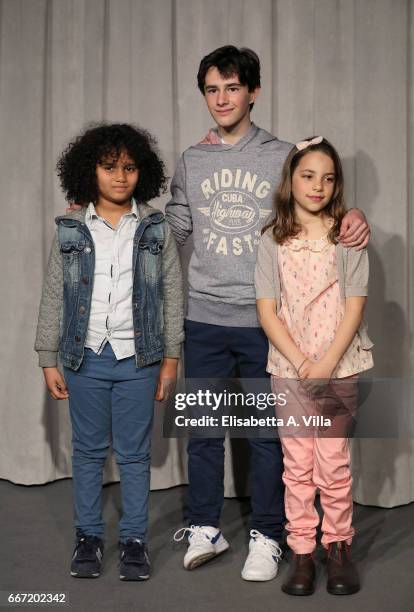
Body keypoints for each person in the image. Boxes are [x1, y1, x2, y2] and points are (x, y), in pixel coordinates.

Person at [168, 45, 370, 581]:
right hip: (205, 315)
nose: (222, 99)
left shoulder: (282, 154)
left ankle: (269, 534)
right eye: (212, 89)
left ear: (253, 92)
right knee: (205, 430)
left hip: (267, 323)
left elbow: (315, 193)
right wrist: (102, 212)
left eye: (232, 87)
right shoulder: (191, 159)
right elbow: (175, 229)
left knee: (267, 435)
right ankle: (205, 525)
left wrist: (354, 215)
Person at [34, 123, 184, 581]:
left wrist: (171, 360)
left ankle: (135, 539)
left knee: (136, 454)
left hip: (140, 359)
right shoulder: (71, 229)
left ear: (144, 172)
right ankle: (89, 537)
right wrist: (48, 356)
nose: (120, 177)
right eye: (109, 167)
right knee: (87, 452)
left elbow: (172, 295)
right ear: (90, 171)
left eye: (130, 168)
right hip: (85, 359)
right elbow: (55, 296)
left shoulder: (156, 228)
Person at [255, 136, 373, 595]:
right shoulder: (271, 240)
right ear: (291, 180)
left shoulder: (348, 236)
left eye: (328, 178)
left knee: (334, 465)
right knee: (297, 465)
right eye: (308, 176)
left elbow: (355, 306)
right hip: (289, 371)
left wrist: (325, 363)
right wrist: (302, 362)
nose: (318, 186)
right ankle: (302, 551)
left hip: (339, 369)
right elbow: (267, 310)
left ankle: (338, 548)